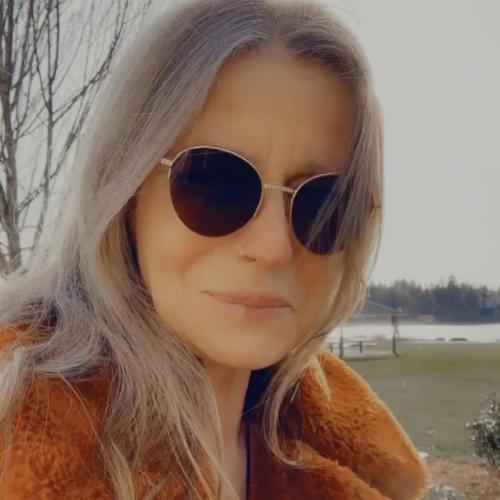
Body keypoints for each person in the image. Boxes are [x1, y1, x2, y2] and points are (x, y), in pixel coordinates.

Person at [0, 0, 428, 498]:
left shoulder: (336, 471)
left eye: (323, 203)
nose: (273, 247)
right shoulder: (15, 427)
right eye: (215, 183)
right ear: (124, 193)